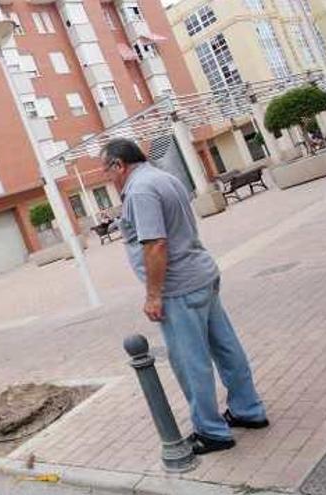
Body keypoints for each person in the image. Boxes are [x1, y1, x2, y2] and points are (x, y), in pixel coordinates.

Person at [101, 138, 268, 455]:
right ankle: (248, 410)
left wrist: (153, 295)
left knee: (191, 363)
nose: (107, 179)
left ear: (118, 165)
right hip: (202, 274)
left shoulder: (140, 190)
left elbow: (155, 245)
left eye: (106, 171)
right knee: (226, 347)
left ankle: (212, 432)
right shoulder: (164, 177)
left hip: (178, 288)